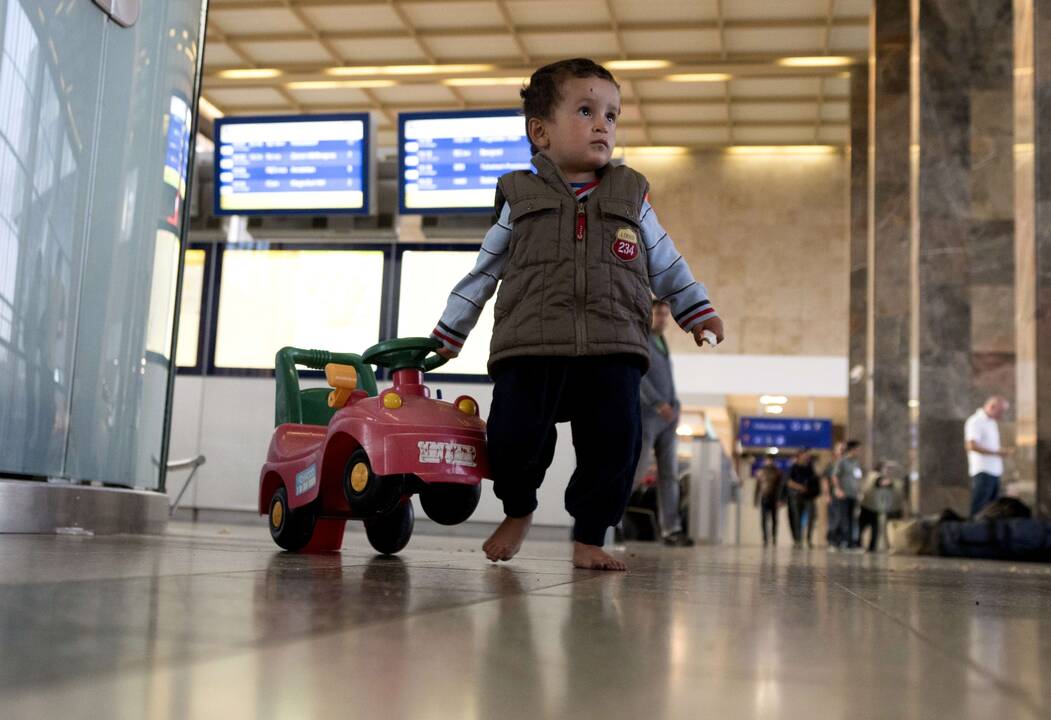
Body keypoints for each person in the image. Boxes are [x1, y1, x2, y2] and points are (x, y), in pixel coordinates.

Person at [429, 58, 724, 571]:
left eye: (611, 115)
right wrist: (451, 330)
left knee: (615, 446)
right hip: (531, 344)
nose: (601, 125)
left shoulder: (631, 195)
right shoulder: (518, 198)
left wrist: (695, 309)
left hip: (613, 345)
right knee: (513, 440)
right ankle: (518, 508)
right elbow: (484, 271)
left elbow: (666, 260)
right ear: (539, 131)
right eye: (585, 110)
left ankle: (590, 534)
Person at [632, 300, 692, 547]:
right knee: (636, 470)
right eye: (658, 314)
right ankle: (606, 522)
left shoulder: (662, 343)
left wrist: (675, 405)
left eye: (666, 315)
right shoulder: (641, 339)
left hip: (668, 418)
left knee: (669, 475)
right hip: (648, 415)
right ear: (649, 314)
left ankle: (671, 529)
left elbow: (668, 380)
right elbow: (639, 375)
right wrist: (659, 403)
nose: (663, 319)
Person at [964, 396, 1011, 518]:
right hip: (983, 471)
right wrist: (997, 453)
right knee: (979, 507)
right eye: (1000, 411)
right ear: (992, 407)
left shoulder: (991, 423)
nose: (1001, 415)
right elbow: (971, 445)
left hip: (994, 471)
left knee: (992, 510)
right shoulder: (975, 421)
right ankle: (972, 534)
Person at [830, 440, 864, 551]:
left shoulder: (856, 462)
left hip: (853, 495)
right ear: (852, 450)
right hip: (843, 495)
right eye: (858, 450)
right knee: (841, 518)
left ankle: (850, 543)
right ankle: (836, 542)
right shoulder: (842, 461)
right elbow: (835, 476)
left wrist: (859, 491)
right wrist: (838, 489)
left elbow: (858, 477)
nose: (859, 452)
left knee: (851, 519)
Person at [786, 449, 820, 548]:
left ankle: (809, 539)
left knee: (811, 518)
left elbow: (815, 480)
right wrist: (800, 487)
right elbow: (789, 482)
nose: (807, 457)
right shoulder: (794, 467)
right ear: (800, 455)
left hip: (809, 496)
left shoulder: (810, 467)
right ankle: (798, 540)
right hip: (797, 497)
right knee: (796, 519)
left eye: (808, 455)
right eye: (805, 455)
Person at [753, 455, 784, 547]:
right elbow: (757, 487)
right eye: (767, 460)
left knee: (774, 520)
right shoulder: (761, 472)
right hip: (764, 497)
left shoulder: (778, 472)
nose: (769, 462)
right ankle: (765, 539)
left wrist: (781, 499)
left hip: (774, 498)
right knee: (763, 520)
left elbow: (780, 487)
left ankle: (774, 538)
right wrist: (755, 499)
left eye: (771, 460)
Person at [822, 442, 845, 546]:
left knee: (843, 519)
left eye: (844, 449)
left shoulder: (847, 464)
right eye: (840, 449)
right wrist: (827, 495)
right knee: (834, 518)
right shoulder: (831, 465)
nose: (842, 452)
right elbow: (825, 481)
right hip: (834, 496)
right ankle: (832, 540)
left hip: (846, 495)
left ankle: (842, 540)